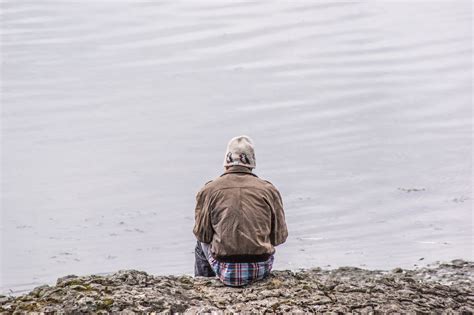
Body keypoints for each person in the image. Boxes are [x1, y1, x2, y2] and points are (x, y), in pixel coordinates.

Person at [193, 135, 288, 287]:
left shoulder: (208, 190)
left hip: (225, 270)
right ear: (252, 163)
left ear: (226, 162)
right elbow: (279, 238)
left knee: (200, 242)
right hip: (260, 269)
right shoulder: (269, 190)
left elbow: (203, 235)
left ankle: (203, 283)